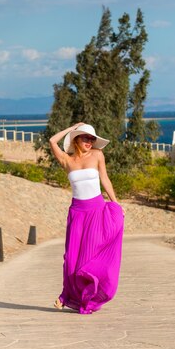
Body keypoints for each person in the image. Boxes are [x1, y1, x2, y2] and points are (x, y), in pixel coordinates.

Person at [49, 122, 125, 314]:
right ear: (76, 139)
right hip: (77, 213)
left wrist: (115, 202)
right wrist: (73, 128)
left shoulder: (97, 155)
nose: (90, 142)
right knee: (72, 257)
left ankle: (89, 295)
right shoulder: (67, 160)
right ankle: (66, 295)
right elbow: (52, 140)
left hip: (97, 210)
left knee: (91, 254)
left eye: (92, 139)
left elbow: (105, 179)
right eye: (85, 138)